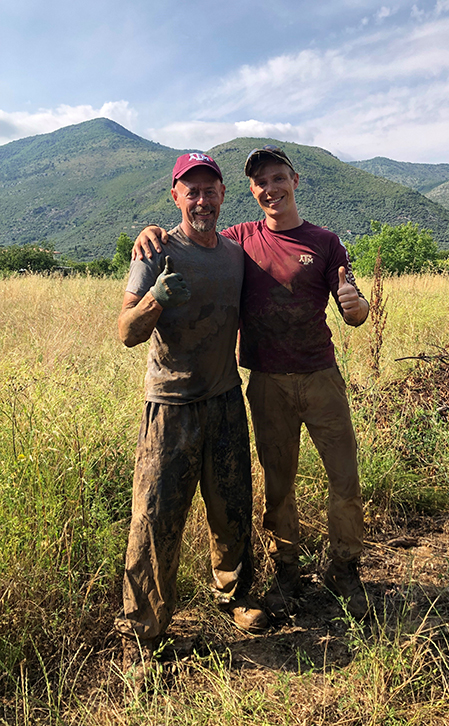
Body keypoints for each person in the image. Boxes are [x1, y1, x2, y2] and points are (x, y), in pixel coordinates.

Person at [132, 145, 370, 619]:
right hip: (264, 384)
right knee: (277, 488)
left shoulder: (324, 242)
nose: (271, 188)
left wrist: (354, 304)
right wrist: (151, 230)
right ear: (248, 191)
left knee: (344, 480)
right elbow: (193, 237)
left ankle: (343, 569)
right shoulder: (241, 239)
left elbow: (356, 309)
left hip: (320, 376)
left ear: (295, 180)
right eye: (261, 182)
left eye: (278, 178)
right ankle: (286, 573)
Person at [115, 152, 267, 677]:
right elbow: (126, 331)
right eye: (191, 191)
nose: (201, 200)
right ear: (175, 195)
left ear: (224, 195)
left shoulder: (235, 254)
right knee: (156, 521)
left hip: (225, 400)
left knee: (232, 509)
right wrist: (154, 299)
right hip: (169, 408)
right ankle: (147, 630)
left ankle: (234, 596)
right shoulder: (155, 250)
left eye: (210, 190)